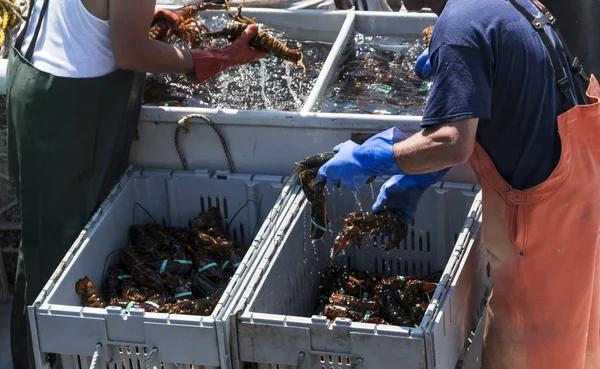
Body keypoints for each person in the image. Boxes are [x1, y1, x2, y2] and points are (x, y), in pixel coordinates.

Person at [316, 0, 600, 367]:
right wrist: (418, 176)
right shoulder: (500, 6)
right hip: (581, 188)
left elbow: (453, 142)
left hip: (545, 222)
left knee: (538, 352)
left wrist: (370, 158)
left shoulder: (460, 28)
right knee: (580, 337)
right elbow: (504, 109)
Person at [6, 0, 268, 367]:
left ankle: (29, 357)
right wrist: (210, 58)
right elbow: (130, 51)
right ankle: (52, 358)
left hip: (34, 83)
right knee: (67, 259)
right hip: (71, 109)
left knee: (40, 244)